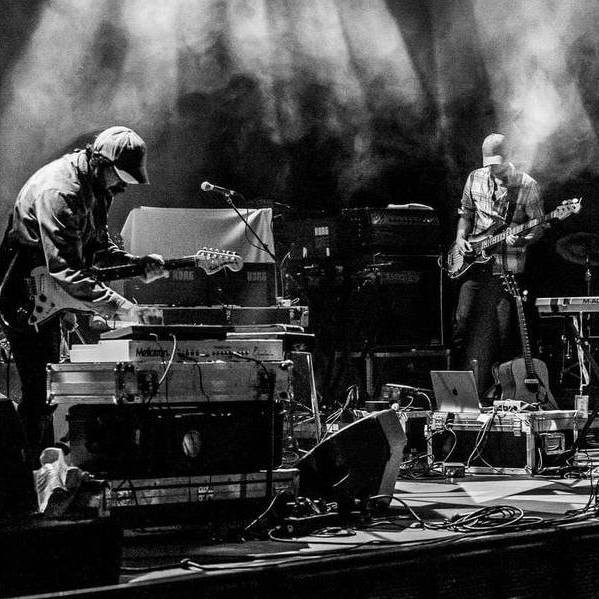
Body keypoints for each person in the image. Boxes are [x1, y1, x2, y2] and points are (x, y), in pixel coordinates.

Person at [0, 126, 168, 467]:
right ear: (101, 162)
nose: (122, 187)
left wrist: (137, 265)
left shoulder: (98, 187)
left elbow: (97, 252)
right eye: (120, 177)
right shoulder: (59, 191)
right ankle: (26, 476)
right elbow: (65, 270)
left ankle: (46, 469)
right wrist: (119, 306)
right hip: (26, 298)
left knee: (46, 391)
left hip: (53, 296)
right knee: (37, 391)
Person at [452, 133, 546, 396]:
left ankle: (500, 392)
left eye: (499, 165)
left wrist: (523, 239)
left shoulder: (527, 185)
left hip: (507, 270)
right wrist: (460, 238)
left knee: (504, 334)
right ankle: (461, 389)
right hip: (474, 264)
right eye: (490, 165)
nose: (495, 170)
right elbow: (466, 214)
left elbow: (539, 227)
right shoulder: (475, 178)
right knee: (462, 322)